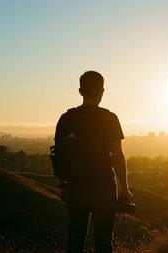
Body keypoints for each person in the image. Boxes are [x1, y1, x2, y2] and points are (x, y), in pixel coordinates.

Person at [54, 70, 133, 253]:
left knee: (75, 242)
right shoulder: (109, 118)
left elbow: (59, 155)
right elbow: (118, 156)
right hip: (104, 188)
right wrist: (125, 188)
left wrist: (63, 186)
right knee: (104, 245)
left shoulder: (67, 118)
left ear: (80, 91)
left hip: (76, 187)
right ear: (102, 91)